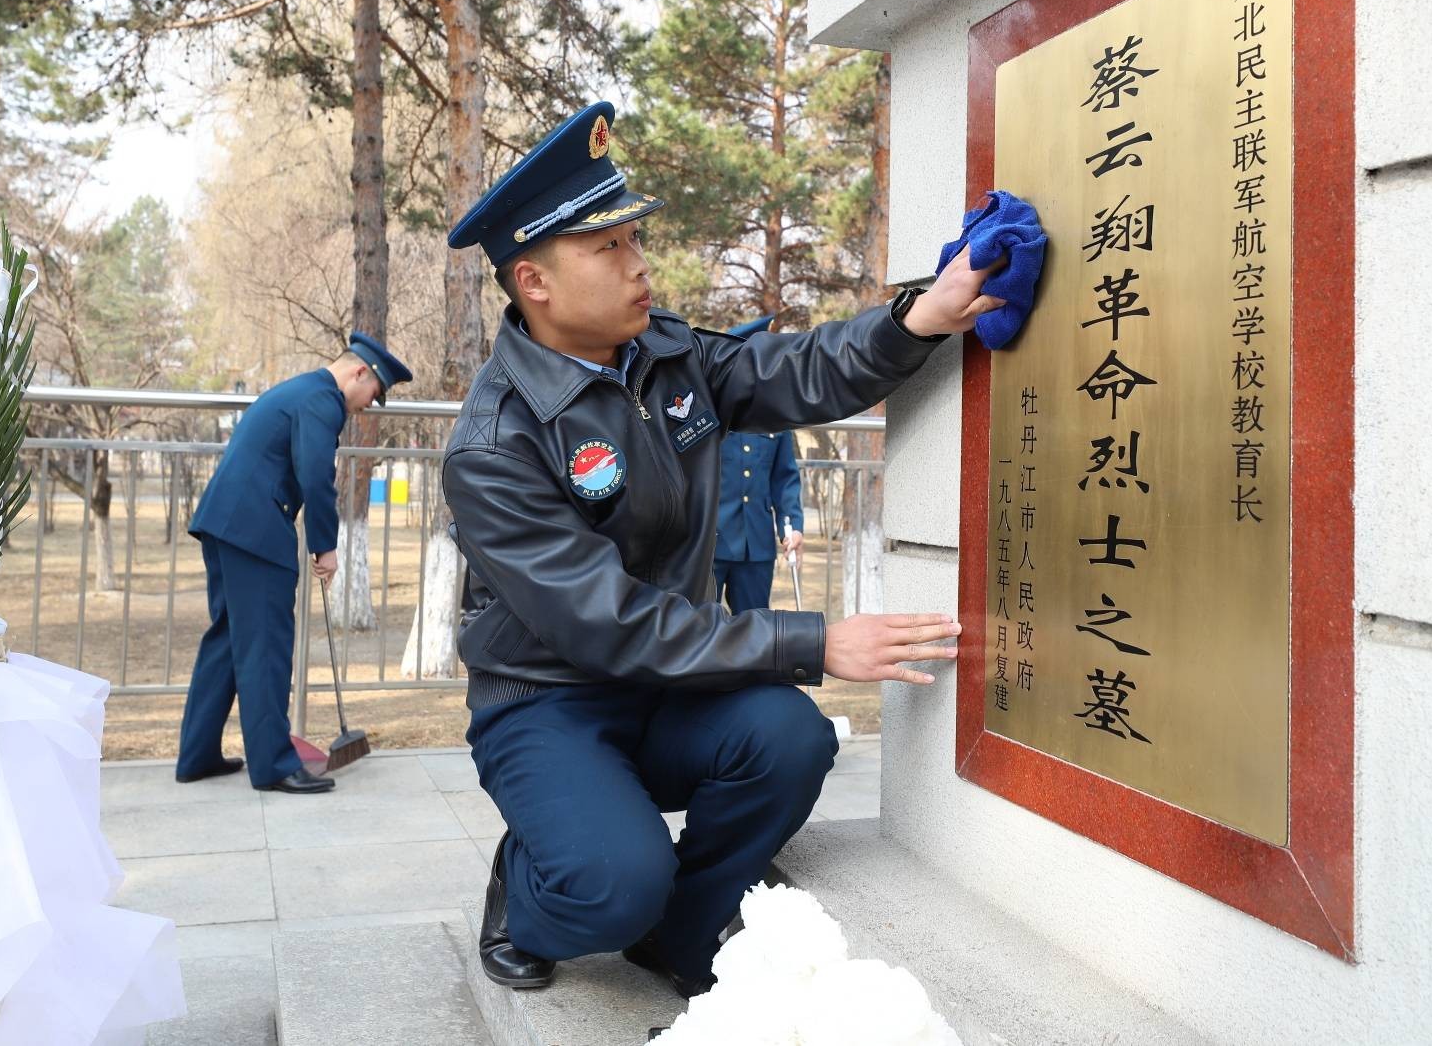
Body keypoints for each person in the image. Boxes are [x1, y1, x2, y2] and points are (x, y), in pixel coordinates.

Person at [440, 100, 1019, 1006]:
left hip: (666, 688)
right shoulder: (495, 443)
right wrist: (813, 641)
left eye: (636, 240)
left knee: (789, 737)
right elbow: (607, 624)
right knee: (610, 884)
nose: (641, 266)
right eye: (611, 250)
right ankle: (530, 887)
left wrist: (919, 320)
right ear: (535, 281)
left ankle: (680, 929)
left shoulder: (662, 356)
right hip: (550, 701)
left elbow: (794, 372)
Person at [176, 332, 412, 794]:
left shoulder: (300, 390)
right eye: (374, 395)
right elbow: (315, 473)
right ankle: (274, 766)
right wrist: (326, 545)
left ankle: (197, 754)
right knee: (265, 648)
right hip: (255, 532)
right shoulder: (323, 401)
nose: (368, 407)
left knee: (227, 641)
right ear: (359, 372)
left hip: (227, 524)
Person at [712, 315, 805, 615]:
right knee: (698, 630)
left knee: (755, 628)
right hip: (710, 544)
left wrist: (792, 525)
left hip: (756, 544)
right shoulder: (705, 412)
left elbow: (784, 478)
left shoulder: (774, 416)